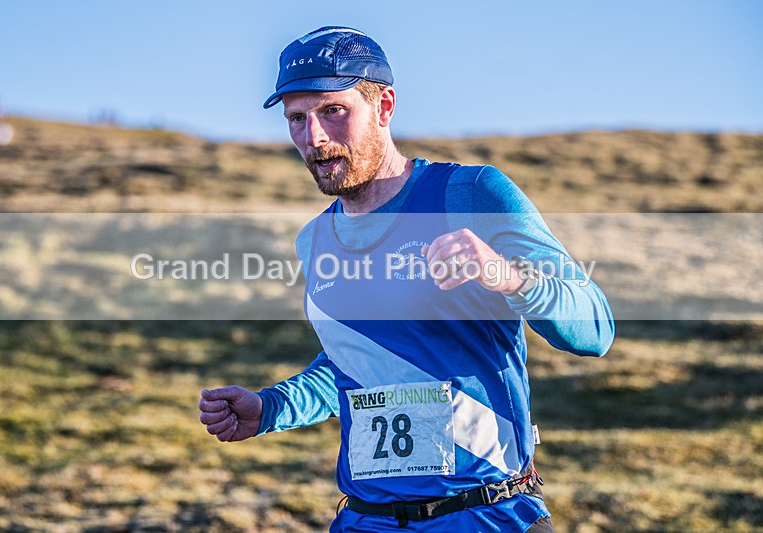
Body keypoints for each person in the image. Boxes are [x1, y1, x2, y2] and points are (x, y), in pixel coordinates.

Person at [199, 26, 614, 532]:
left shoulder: (470, 194)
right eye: (297, 119)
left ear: (384, 106)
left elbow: (595, 328)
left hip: (485, 514)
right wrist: (270, 408)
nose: (315, 139)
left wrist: (511, 278)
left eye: (333, 111)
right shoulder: (314, 240)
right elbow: (360, 365)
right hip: (364, 521)